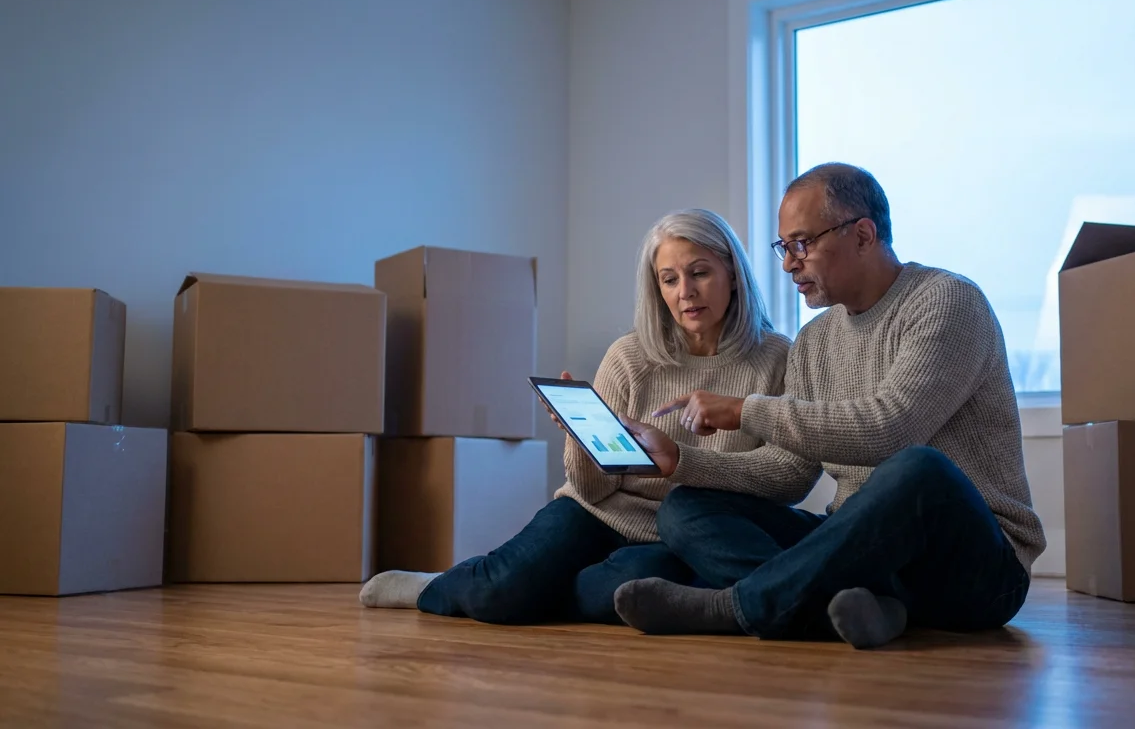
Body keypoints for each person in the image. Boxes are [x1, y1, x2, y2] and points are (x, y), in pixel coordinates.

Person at [609, 163, 1046, 649]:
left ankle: (739, 606)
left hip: (975, 569)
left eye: (802, 244)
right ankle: (859, 610)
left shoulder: (947, 301)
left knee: (917, 468)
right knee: (685, 507)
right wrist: (681, 460)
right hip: (863, 558)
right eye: (783, 248)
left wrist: (746, 410)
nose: (787, 264)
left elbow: (891, 428)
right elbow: (789, 475)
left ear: (862, 234)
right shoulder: (814, 341)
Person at [359, 208, 794, 625]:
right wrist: (581, 438)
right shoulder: (631, 356)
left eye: (700, 272)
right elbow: (591, 487)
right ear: (657, 290)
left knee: (614, 592)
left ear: (732, 275)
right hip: (593, 510)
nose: (686, 291)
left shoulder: (776, 358)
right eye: (669, 279)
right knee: (499, 592)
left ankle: (522, 587)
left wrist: (683, 460)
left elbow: (784, 479)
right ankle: (443, 586)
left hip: (679, 532)